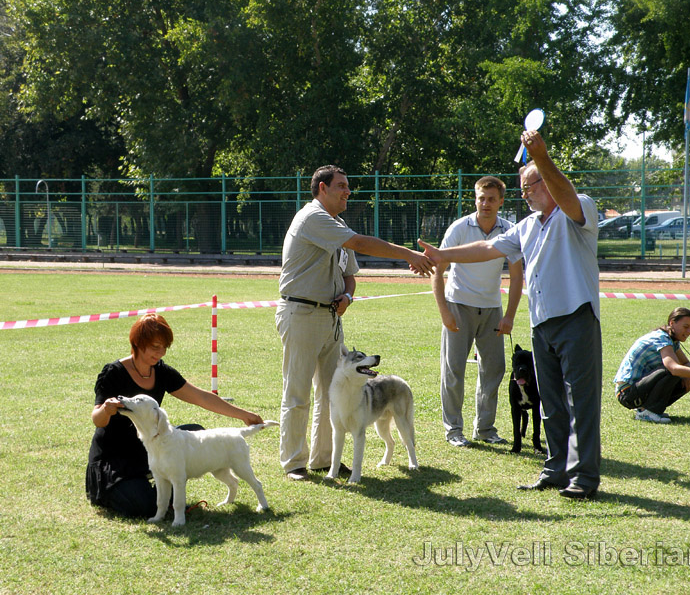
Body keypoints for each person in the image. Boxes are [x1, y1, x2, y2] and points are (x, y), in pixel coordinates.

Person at [420, 129, 602, 499]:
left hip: (576, 318)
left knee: (579, 401)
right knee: (549, 403)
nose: (525, 193)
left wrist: (543, 158)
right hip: (542, 325)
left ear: (548, 182)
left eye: (530, 186)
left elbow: (564, 193)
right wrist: (443, 256)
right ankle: (555, 468)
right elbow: (487, 247)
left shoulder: (578, 208)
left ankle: (584, 476)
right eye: (521, 187)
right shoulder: (527, 225)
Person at [277, 165, 433, 481]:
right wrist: (408, 254)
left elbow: (350, 275)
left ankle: (323, 460)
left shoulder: (337, 223)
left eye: (348, 186)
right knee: (298, 392)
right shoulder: (313, 218)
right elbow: (360, 243)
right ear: (322, 188)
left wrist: (347, 296)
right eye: (341, 186)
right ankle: (294, 463)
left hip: (330, 317)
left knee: (331, 391)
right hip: (302, 313)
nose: (348, 191)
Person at [86, 313, 264, 518]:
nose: (160, 352)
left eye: (164, 347)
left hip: (150, 446)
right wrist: (107, 410)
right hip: (115, 456)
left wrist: (244, 415)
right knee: (143, 508)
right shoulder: (113, 373)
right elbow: (96, 419)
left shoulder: (161, 372)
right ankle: (122, 490)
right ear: (137, 342)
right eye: (155, 346)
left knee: (195, 433)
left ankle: (162, 485)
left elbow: (202, 398)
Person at [432, 175, 523, 447]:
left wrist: (509, 316)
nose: (486, 204)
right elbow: (437, 269)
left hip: (492, 309)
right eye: (481, 198)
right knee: (453, 370)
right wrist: (445, 312)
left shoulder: (509, 230)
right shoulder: (459, 228)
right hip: (459, 306)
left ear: (501, 202)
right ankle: (453, 431)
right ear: (475, 199)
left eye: (491, 199)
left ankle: (484, 429)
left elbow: (517, 277)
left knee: (494, 369)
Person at [614, 307, 690, 423]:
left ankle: (650, 409)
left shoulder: (671, 339)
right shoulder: (661, 338)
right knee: (671, 371)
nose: (689, 332)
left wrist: (689, 375)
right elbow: (673, 368)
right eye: (686, 327)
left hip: (638, 389)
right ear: (672, 323)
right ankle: (647, 412)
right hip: (627, 393)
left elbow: (686, 363)